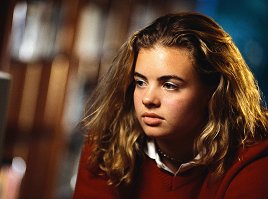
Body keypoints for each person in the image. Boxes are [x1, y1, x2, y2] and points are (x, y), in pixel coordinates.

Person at [73, 12, 268, 199]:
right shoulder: (107, 148)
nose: (148, 99)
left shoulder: (253, 157)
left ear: (214, 91)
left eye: (169, 85)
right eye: (140, 82)